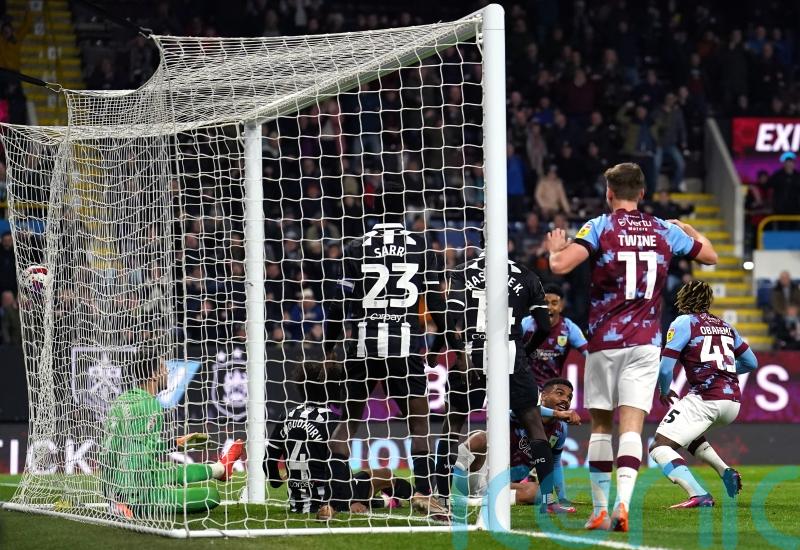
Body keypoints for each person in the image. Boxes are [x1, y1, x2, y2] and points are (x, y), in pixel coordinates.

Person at [546, 162, 718, 532]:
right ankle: (624, 503)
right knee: (632, 428)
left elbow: (560, 267)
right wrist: (687, 229)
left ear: (609, 193)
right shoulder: (663, 230)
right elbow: (711, 256)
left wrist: (555, 250)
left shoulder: (599, 226)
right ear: (642, 193)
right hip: (646, 343)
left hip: (605, 341)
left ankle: (599, 510)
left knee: (601, 427)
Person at [322, 181, 449, 520]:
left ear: (372, 208)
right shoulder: (421, 247)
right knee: (419, 425)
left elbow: (337, 304)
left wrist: (330, 345)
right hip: (406, 345)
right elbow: (436, 303)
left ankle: (335, 499)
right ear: (404, 208)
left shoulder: (354, 247)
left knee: (348, 422)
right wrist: (439, 343)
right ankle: (424, 494)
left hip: (363, 345)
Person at [434, 227, 574, 515]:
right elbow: (545, 326)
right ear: (508, 244)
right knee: (534, 426)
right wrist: (527, 349)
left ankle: (441, 497)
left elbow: (450, 317)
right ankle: (548, 502)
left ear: (480, 243)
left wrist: (459, 354)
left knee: (453, 424)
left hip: (472, 354)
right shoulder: (526, 275)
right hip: (511, 356)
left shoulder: (462, 271)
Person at [650, 281, 757, 507]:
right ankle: (724, 470)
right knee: (686, 433)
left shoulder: (683, 322)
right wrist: (725, 371)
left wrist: (664, 390)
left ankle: (698, 494)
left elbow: (665, 368)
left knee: (660, 446)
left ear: (683, 298)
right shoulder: (725, 326)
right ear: (708, 301)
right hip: (733, 403)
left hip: (707, 398)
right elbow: (751, 362)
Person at [264, 362, 413, 519]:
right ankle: (421, 497)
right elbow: (339, 469)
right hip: (333, 501)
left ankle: (386, 502)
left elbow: (268, 462)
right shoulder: (332, 421)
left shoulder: (286, 416)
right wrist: (352, 501)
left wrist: (276, 480)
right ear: (333, 388)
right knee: (385, 474)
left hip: (297, 503)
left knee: (363, 479)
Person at [101, 357, 244, 518]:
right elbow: (132, 452)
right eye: (163, 368)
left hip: (114, 483)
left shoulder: (122, 400)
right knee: (211, 496)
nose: (167, 372)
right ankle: (122, 503)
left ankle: (220, 469)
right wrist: (122, 500)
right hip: (134, 494)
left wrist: (175, 443)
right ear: (154, 375)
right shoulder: (150, 406)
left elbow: (130, 447)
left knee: (166, 469)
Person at [452, 379, 578, 507]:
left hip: (506, 486)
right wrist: (557, 413)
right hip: (477, 474)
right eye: (560, 393)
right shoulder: (522, 412)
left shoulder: (561, 429)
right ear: (543, 395)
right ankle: (441, 490)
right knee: (481, 437)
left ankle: (471, 502)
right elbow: (528, 410)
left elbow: (555, 462)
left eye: (569, 397)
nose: (565, 400)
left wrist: (562, 497)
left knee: (538, 492)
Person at [521, 284, 588, 390]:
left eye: (554, 303)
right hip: (526, 387)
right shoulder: (526, 324)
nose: (549, 307)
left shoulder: (569, 328)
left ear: (561, 306)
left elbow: (588, 354)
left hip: (551, 389)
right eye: (545, 303)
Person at [654, 93, 688, 192]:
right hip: (659, 144)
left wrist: (684, 141)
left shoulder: (677, 112)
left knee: (681, 164)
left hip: (671, 145)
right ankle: (654, 187)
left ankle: (674, 185)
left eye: (672, 98)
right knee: (656, 165)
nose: (670, 100)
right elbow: (655, 126)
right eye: (669, 98)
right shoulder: (658, 111)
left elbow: (682, 128)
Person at [767, 152, 800, 219]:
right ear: (784, 164)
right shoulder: (777, 175)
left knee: (794, 228)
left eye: (791, 162)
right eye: (787, 163)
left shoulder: (798, 176)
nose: (789, 165)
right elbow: (768, 185)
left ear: (794, 164)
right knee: (781, 227)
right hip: (780, 209)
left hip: (795, 209)